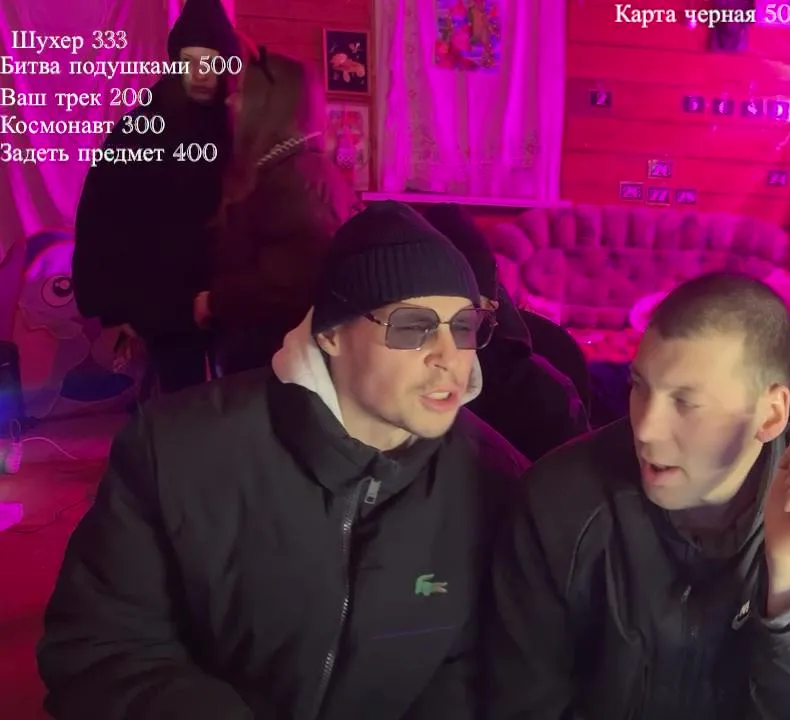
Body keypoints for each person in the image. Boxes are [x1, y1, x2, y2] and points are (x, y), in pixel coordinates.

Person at [39, 202, 528, 720]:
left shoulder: (494, 478)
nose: (450, 357)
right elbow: (100, 649)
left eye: (464, 326)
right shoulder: (178, 451)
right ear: (331, 333)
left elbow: (480, 669)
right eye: (412, 326)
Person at [486, 271, 790, 719]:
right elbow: (522, 702)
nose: (645, 428)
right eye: (639, 386)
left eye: (686, 402)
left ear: (770, 415)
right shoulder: (559, 499)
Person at [72, 0, 238, 393]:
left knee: (233, 402)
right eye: (190, 61)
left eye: (211, 62)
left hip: (228, 300)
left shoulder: (238, 127)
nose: (201, 73)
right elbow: (102, 216)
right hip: (163, 302)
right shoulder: (141, 129)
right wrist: (117, 306)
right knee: (178, 401)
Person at [204, 47, 359, 375]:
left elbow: (286, 284)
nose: (231, 101)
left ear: (268, 106)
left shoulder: (299, 180)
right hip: (267, 360)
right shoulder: (283, 168)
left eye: (241, 93)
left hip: (276, 367)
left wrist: (214, 301)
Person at [420, 203, 588, 460]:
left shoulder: (543, 392)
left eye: (462, 320)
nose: (442, 348)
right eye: (420, 322)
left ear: (490, 307)